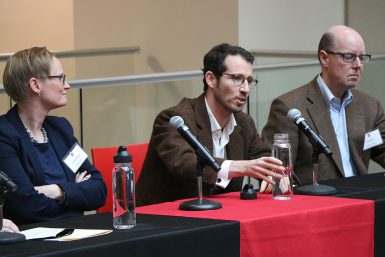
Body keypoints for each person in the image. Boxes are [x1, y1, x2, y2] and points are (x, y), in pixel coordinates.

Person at [136, 43, 284, 206]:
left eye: (249, 80)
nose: (246, 89)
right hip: (165, 220)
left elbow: (262, 157)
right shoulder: (174, 118)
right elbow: (185, 164)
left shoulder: (243, 122)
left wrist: (273, 173)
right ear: (211, 79)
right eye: (237, 79)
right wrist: (241, 167)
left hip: (222, 217)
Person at [261, 25, 385, 187]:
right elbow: (278, 167)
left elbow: (382, 149)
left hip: (361, 198)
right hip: (316, 202)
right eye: (349, 56)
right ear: (324, 58)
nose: (358, 65)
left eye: (362, 57)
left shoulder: (370, 106)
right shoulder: (289, 106)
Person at [0, 47, 107, 225]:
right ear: (35, 85)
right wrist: (75, 192)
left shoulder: (60, 128)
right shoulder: (4, 134)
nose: (67, 85)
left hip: (77, 232)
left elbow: (99, 189)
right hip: (35, 241)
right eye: (60, 78)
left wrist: (56, 191)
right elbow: (24, 205)